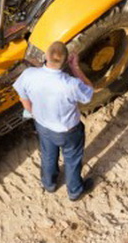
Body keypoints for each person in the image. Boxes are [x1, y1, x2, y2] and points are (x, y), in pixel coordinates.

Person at [13, 41, 94, 201]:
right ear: (65, 62)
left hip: (43, 126)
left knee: (48, 155)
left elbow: (23, 97)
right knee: (72, 159)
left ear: (46, 57)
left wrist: (34, 113)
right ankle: (74, 191)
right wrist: (76, 67)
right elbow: (89, 92)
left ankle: (49, 184)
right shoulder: (71, 84)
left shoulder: (29, 74)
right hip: (68, 131)